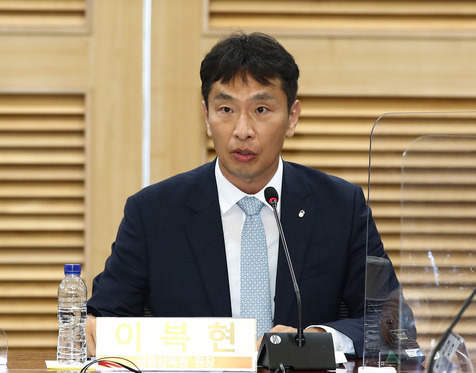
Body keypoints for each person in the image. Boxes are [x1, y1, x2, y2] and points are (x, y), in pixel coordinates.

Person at [85, 31, 404, 360]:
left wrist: (318, 339)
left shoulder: (341, 207)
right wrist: (91, 327)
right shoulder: (153, 213)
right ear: (206, 117)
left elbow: (392, 323)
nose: (242, 130)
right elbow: (105, 316)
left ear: (292, 117)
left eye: (261, 109)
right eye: (225, 109)